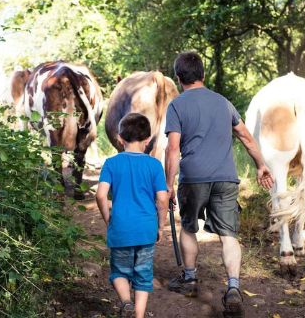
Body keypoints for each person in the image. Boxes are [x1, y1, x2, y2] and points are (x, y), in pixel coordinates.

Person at [164, 52, 275, 317]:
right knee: (229, 235)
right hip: (226, 177)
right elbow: (246, 136)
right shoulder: (223, 103)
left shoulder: (177, 105)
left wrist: (168, 184)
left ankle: (189, 279)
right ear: (203, 74)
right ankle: (234, 287)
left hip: (193, 178)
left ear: (179, 78)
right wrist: (261, 165)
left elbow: (172, 149)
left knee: (188, 228)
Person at [95, 112, 169, 318]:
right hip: (146, 229)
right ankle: (138, 315)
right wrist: (160, 226)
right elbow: (162, 199)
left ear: (119, 138)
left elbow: (101, 195)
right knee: (143, 275)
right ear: (147, 140)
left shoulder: (111, 163)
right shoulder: (154, 165)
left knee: (119, 272)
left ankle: (126, 302)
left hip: (121, 227)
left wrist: (108, 219)